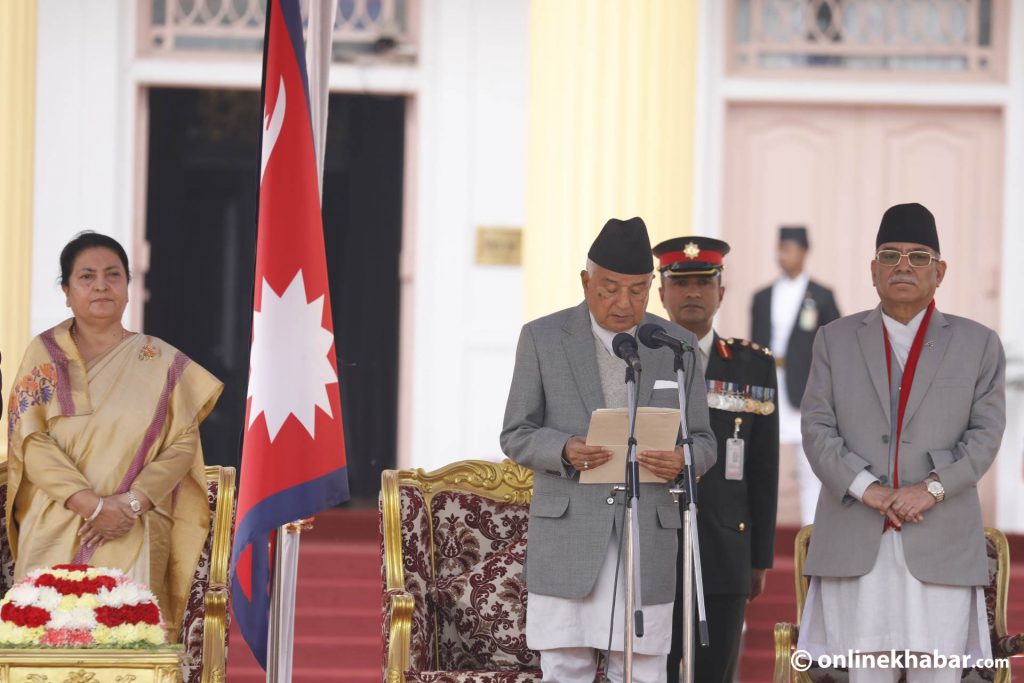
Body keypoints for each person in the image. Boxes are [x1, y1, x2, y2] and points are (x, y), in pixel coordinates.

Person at [500, 217, 717, 683]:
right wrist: (564, 449)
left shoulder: (676, 346)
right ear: (586, 281)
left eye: (638, 290)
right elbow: (516, 433)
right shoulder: (542, 338)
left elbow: (704, 440)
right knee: (566, 669)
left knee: (642, 671)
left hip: (648, 541)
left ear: (651, 287)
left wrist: (685, 461)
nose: (624, 303)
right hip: (570, 534)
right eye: (610, 288)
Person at [797, 203, 1005, 682]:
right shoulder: (835, 339)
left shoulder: (978, 344)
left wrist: (929, 489)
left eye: (918, 256)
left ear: (940, 271)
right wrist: (866, 488)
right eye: (890, 256)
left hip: (941, 543)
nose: (904, 266)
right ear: (873, 271)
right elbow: (816, 428)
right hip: (856, 540)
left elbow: (985, 435)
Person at [5, 231, 222, 635]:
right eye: (86, 277)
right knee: (45, 641)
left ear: (127, 287)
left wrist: (130, 504)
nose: (101, 285)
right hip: (58, 520)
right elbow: (31, 442)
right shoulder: (43, 354)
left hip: (134, 526)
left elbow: (181, 445)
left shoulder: (162, 362)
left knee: (125, 642)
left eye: (113, 275)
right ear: (67, 291)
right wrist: (93, 506)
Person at [653, 236, 779, 683]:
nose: (692, 293)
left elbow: (764, 470)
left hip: (725, 550)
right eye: (681, 283)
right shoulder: (637, 362)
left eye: (703, 284)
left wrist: (760, 556)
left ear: (721, 293)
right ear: (661, 292)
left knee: (716, 674)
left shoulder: (752, 366)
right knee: (654, 671)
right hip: (655, 548)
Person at [751, 226, 839, 525]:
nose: (783, 255)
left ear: (804, 252)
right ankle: (759, 525)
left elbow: (834, 346)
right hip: (769, 384)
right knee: (761, 459)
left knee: (809, 463)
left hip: (804, 387)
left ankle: (811, 529)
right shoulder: (762, 297)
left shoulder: (822, 296)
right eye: (780, 248)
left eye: (789, 249)